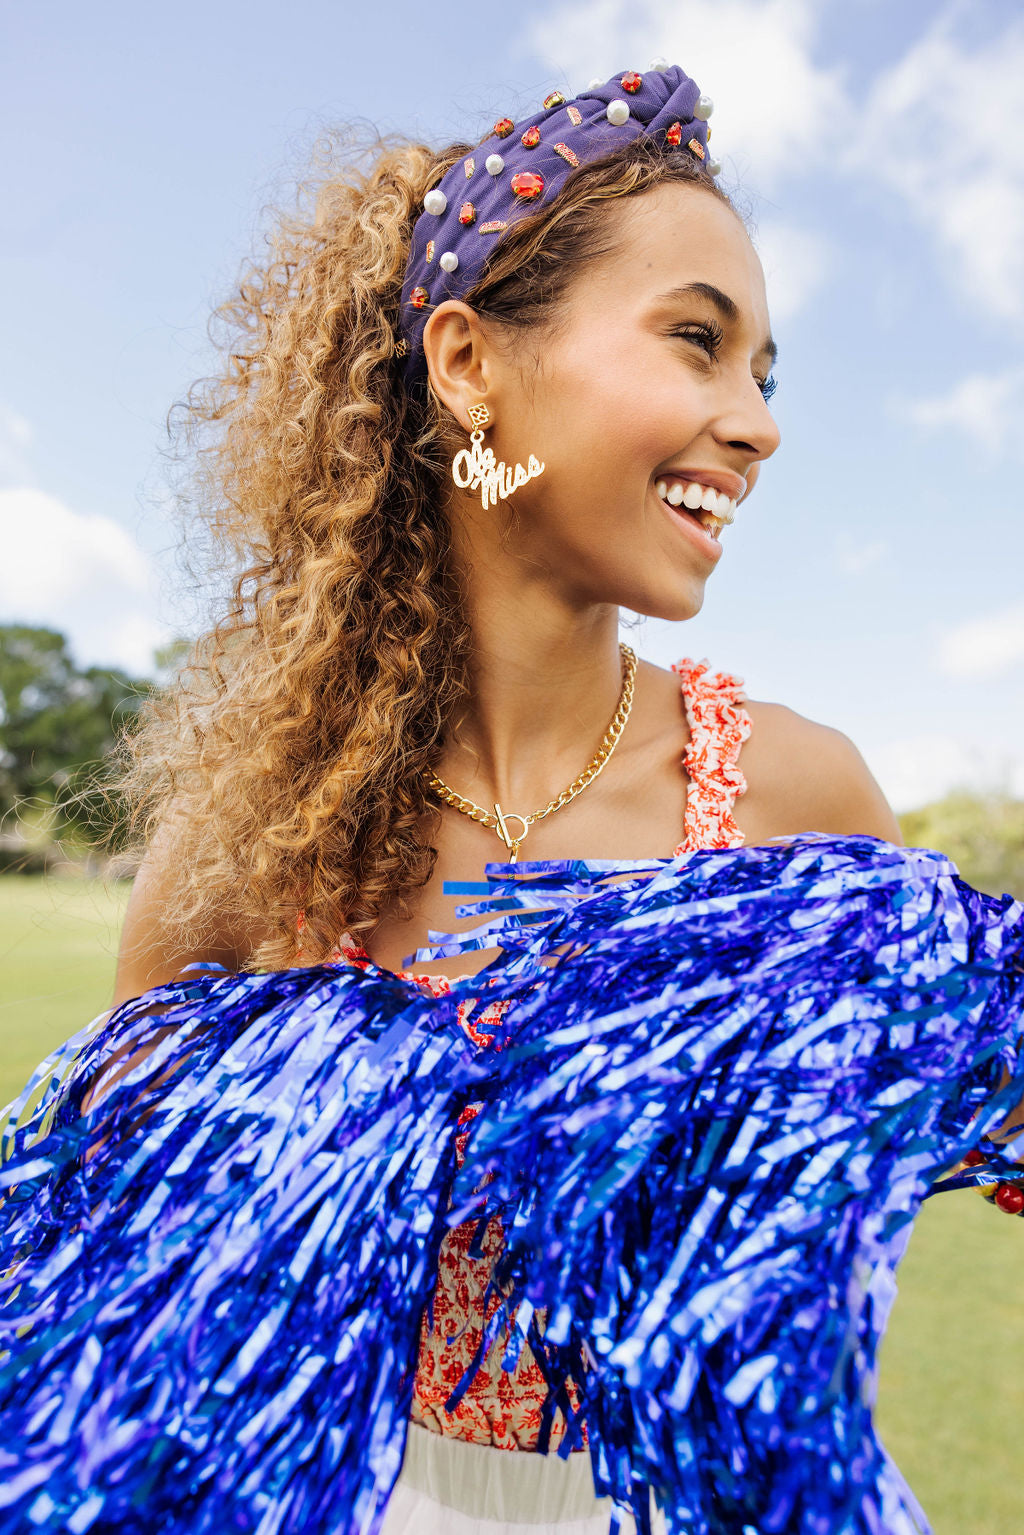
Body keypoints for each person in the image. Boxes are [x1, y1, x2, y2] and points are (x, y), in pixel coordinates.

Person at [1, 61, 1022, 1535]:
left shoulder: (800, 799)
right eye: (696, 341)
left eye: (767, 373)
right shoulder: (249, 846)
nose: (758, 424)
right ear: (470, 362)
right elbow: (119, 1305)